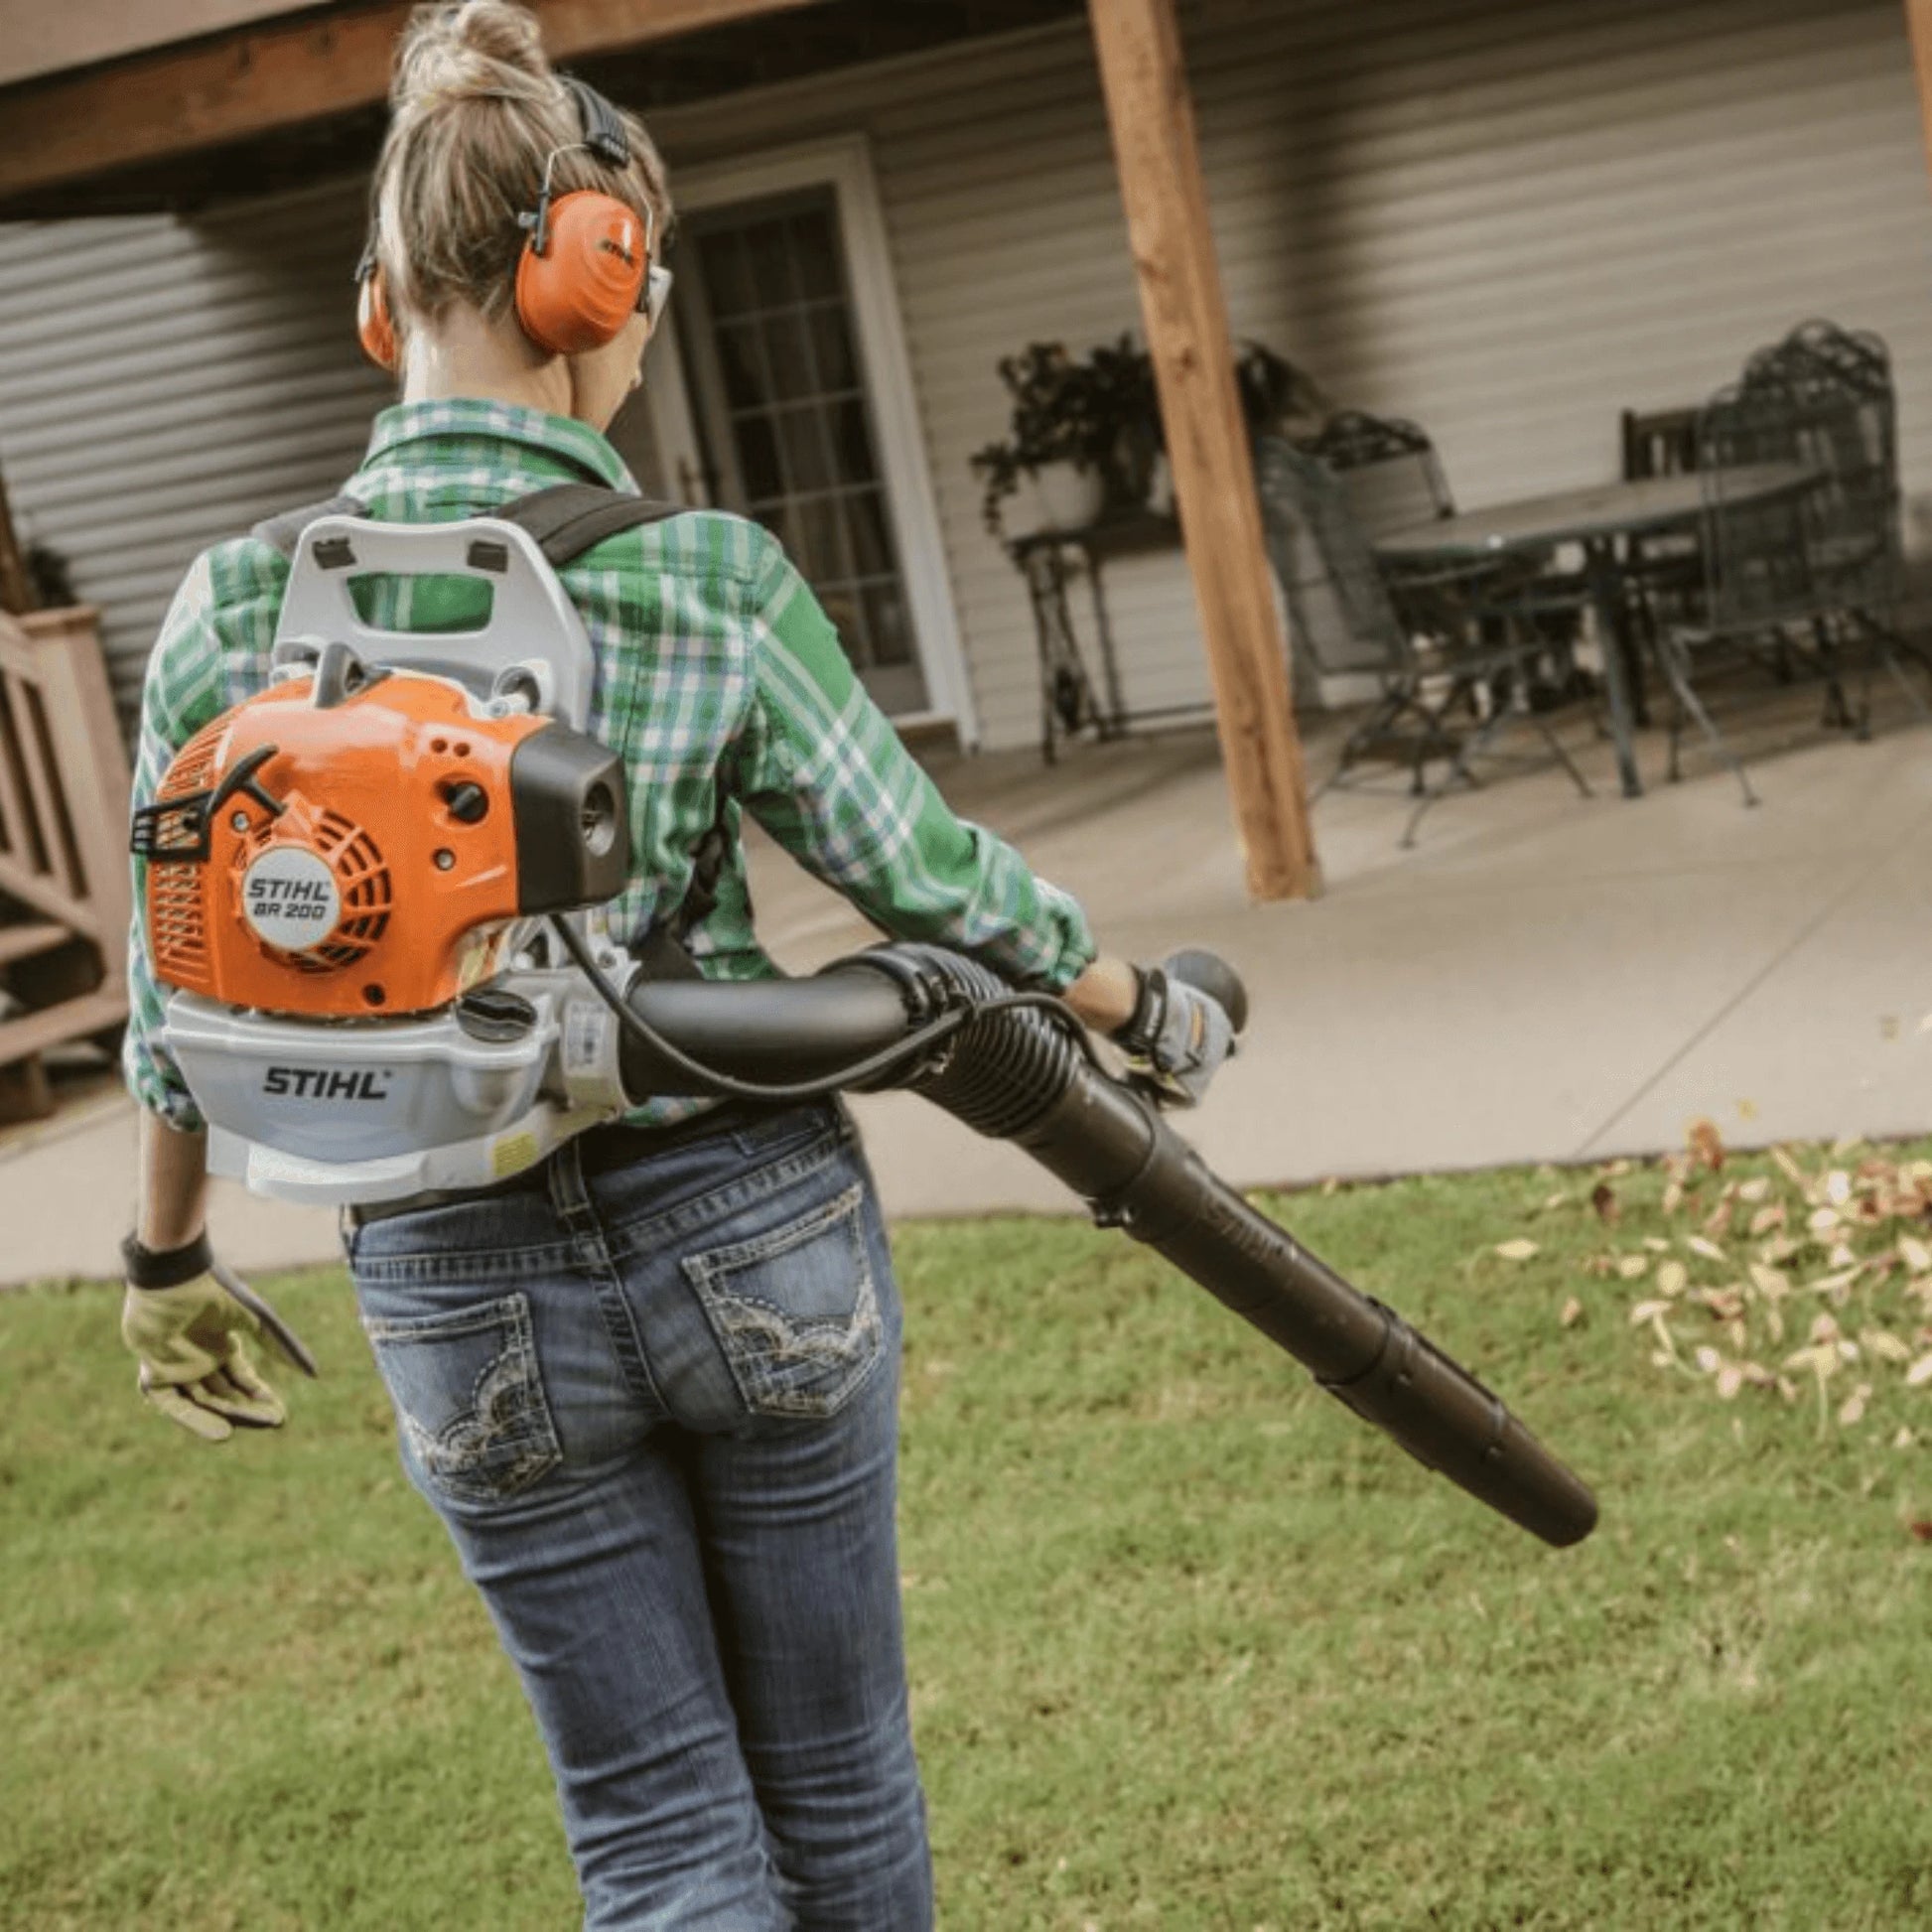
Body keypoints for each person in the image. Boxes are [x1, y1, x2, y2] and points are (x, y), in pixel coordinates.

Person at [115, 4, 1232, 1925]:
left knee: (651, 1827)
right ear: (592, 280)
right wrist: (1140, 1004)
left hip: (456, 1281)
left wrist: (161, 1260)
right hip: (749, 1227)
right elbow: (935, 888)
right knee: (839, 1783)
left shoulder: (235, 608)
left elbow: (177, 999)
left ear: (381, 306)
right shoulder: (702, 572)